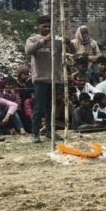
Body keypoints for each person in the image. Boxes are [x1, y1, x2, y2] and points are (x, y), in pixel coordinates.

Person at [25, 15, 74, 143]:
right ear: (39, 26)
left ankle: (50, 132)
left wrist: (68, 42)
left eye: (49, 27)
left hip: (55, 78)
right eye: (44, 26)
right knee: (39, 107)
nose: (47, 29)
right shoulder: (32, 39)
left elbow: (73, 51)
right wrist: (45, 40)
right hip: (40, 79)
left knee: (51, 108)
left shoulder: (57, 40)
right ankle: (35, 133)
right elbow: (28, 50)